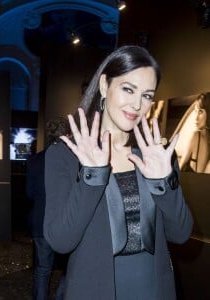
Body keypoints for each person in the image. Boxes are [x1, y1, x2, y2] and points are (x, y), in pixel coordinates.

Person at [43, 45, 193, 299]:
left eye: (147, 95)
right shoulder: (66, 155)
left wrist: (163, 181)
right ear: (104, 85)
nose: (137, 104)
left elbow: (180, 233)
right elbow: (60, 240)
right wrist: (92, 175)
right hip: (95, 289)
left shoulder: (156, 155)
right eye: (128, 89)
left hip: (154, 288)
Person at [26, 117, 70, 300]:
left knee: (43, 269)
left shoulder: (34, 160)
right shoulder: (73, 161)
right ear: (67, 135)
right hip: (65, 222)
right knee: (70, 268)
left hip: (40, 221)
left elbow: (29, 192)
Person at [172, 92, 210, 173]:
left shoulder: (195, 135)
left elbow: (179, 168)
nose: (196, 118)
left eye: (200, 112)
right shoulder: (207, 139)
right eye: (195, 111)